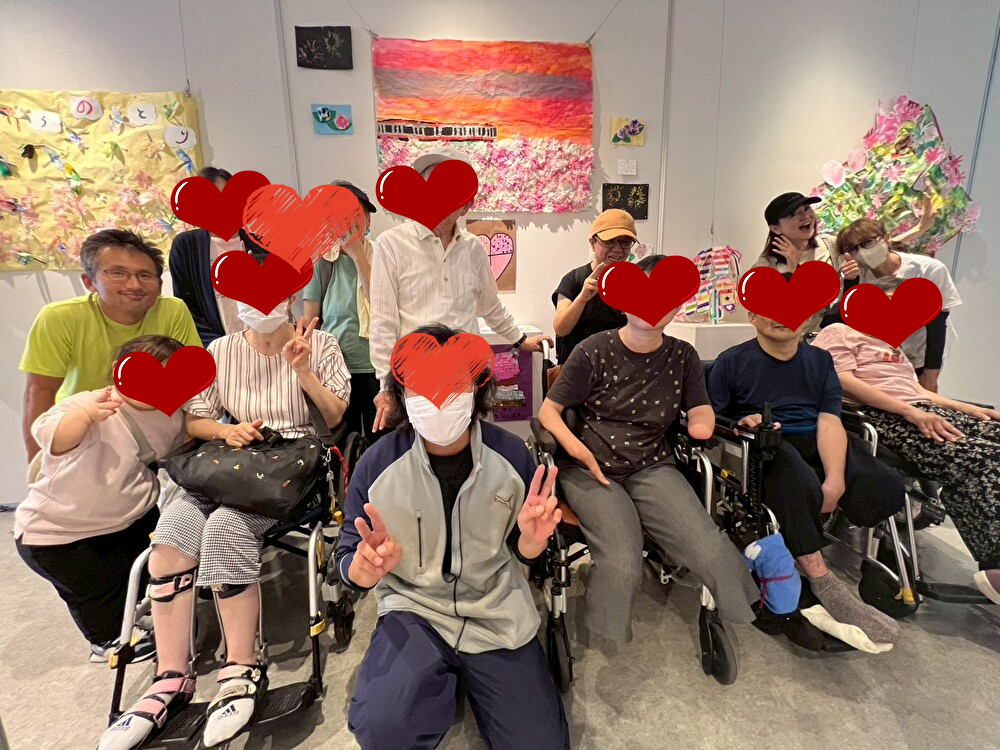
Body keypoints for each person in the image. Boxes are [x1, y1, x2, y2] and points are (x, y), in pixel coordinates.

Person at [99, 305, 350, 750]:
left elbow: (333, 418)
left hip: (290, 464)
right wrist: (224, 431)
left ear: (291, 293)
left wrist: (302, 369)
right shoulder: (220, 350)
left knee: (225, 528)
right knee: (170, 539)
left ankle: (241, 666)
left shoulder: (321, 344)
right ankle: (170, 677)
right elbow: (193, 419)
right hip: (229, 457)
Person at [336, 323, 570, 750]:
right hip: (414, 610)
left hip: (496, 609)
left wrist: (532, 543)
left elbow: (524, 551)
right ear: (402, 394)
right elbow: (348, 550)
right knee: (384, 730)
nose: (439, 397)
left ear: (477, 388)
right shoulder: (377, 464)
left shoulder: (511, 456)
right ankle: (433, 685)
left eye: (453, 383)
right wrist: (361, 570)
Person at [538, 255, 761, 645]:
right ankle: (606, 629)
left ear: (678, 305)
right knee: (623, 560)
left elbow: (700, 407)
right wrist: (577, 450)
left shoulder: (683, 356)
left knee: (709, 548)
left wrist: (704, 421)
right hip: (591, 467)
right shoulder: (593, 350)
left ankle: (746, 609)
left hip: (652, 466)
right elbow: (548, 411)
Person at [708, 306, 903, 646]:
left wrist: (835, 480)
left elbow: (829, 420)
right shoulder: (732, 362)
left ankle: (864, 557)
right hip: (765, 443)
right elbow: (714, 419)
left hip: (817, 435)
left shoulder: (819, 361)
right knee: (793, 477)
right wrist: (742, 423)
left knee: (882, 482)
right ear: (752, 317)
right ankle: (821, 578)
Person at [813, 274, 1000, 604]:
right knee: (980, 458)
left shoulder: (891, 345)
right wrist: (910, 412)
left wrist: (972, 409)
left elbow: (918, 391)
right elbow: (840, 379)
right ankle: (996, 563)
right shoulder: (840, 332)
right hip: (884, 416)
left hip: (920, 410)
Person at [15, 335, 189, 663]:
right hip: (60, 535)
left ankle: (139, 616)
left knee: (141, 576)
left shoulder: (171, 414)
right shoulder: (91, 403)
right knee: (97, 593)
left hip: (130, 518)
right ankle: (107, 640)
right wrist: (84, 415)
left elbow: (181, 443)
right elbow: (51, 436)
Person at [369, 146, 552, 432]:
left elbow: (490, 306)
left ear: (467, 204)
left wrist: (520, 339)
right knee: (421, 448)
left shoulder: (473, 247)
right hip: (416, 380)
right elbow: (383, 321)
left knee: (471, 443)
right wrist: (386, 385)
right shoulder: (391, 244)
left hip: (467, 376)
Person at [20, 229, 200, 461]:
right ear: (89, 281)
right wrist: (38, 462)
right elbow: (39, 393)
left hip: (154, 430)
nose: (134, 284)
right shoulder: (60, 317)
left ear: (159, 284)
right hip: (85, 431)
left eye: (145, 275)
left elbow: (189, 380)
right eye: (118, 273)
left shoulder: (173, 310)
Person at [833, 218, 961, 393]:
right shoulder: (856, 276)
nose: (861, 252)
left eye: (867, 242)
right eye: (852, 249)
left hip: (921, 353)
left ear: (886, 238)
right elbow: (849, 323)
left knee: (919, 397)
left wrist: (931, 374)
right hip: (879, 359)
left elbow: (937, 323)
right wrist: (851, 283)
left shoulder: (928, 269)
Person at [303, 180, 381, 438]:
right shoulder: (322, 261)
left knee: (379, 439)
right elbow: (310, 321)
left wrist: (358, 255)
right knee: (342, 441)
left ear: (368, 221)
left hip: (377, 368)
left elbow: (381, 305)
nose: (348, 223)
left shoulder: (383, 255)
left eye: (355, 215)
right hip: (335, 370)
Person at [168, 166, 268, 347]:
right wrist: (219, 347)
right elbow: (186, 306)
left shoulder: (260, 243)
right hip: (214, 347)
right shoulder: (186, 246)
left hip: (262, 344)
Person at [551, 209, 630, 366]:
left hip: (621, 371)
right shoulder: (574, 279)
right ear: (593, 243)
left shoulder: (634, 281)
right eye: (609, 241)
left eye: (625, 242)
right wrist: (582, 297)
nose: (617, 249)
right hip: (578, 371)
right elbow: (560, 329)